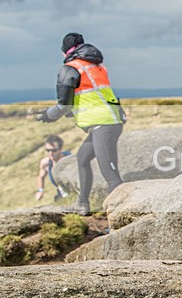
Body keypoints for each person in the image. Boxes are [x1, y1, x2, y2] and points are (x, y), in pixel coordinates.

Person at [37, 33, 124, 215]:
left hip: (103, 125)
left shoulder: (70, 68)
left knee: (110, 175)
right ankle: (82, 204)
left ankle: (120, 217)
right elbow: (89, 98)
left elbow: (64, 104)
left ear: (64, 51)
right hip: (108, 121)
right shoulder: (95, 66)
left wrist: (48, 115)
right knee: (82, 158)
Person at [35, 135, 71, 201]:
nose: (50, 153)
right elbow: (41, 177)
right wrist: (40, 190)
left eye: (53, 150)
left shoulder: (69, 160)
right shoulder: (46, 163)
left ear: (60, 149)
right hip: (61, 193)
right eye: (48, 150)